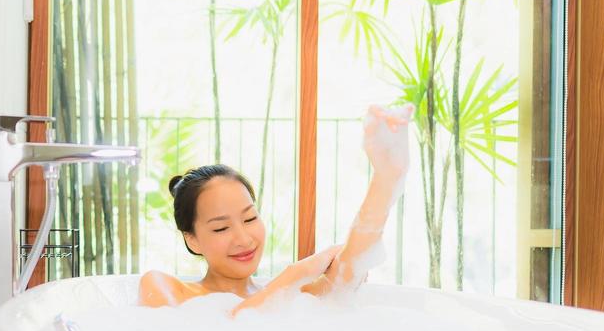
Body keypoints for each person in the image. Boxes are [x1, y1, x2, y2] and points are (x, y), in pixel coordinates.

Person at [138, 104, 412, 314]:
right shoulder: (164, 288)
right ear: (192, 238)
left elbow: (349, 270)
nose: (244, 239)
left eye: (249, 218)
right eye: (221, 227)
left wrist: (386, 177)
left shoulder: (290, 298)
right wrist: (296, 272)